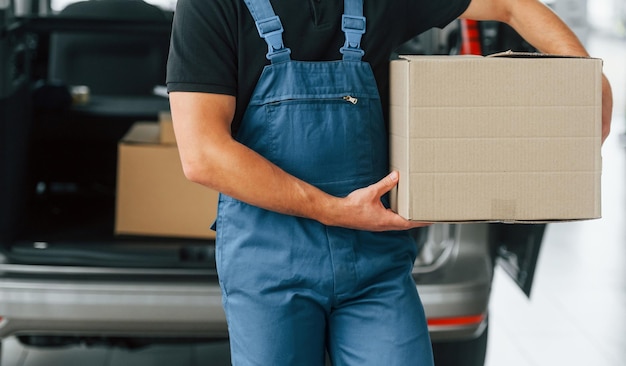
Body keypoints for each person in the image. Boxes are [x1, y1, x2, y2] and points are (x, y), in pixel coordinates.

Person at [166, 0, 613, 364]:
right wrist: (334, 210)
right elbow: (203, 155)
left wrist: (584, 77)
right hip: (268, 262)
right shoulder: (212, 5)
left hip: (374, 265)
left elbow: (511, 5)